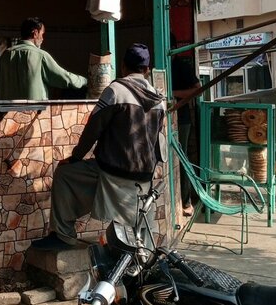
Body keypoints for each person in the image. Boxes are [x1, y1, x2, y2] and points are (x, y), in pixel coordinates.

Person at [32, 42, 166, 250]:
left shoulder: (115, 91)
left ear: (123, 66)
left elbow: (92, 130)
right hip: (144, 177)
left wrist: (75, 158)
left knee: (65, 174)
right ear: (147, 70)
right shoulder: (159, 99)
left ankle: (63, 235)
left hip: (111, 171)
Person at [0, 17, 87, 101]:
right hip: (33, 114)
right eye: (42, 34)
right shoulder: (40, 56)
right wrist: (84, 81)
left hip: (8, 115)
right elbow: (64, 78)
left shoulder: (5, 55)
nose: (42, 38)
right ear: (35, 33)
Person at [170, 33, 200, 216]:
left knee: (181, 159)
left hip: (181, 119)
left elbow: (198, 89)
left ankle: (186, 202)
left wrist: (172, 93)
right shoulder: (161, 65)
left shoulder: (180, 66)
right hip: (166, 119)